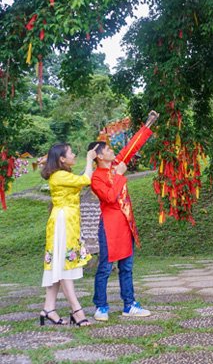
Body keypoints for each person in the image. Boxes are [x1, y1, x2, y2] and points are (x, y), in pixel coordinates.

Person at [87, 110, 158, 321]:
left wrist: (148, 124)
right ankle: (101, 306)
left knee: (126, 267)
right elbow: (109, 198)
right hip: (109, 227)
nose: (112, 150)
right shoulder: (97, 178)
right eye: (107, 149)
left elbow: (133, 146)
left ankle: (129, 304)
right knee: (105, 267)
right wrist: (119, 176)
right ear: (99, 156)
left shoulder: (117, 163)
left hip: (125, 224)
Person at [40, 143, 98, 327]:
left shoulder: (63, 175)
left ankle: (48, 308)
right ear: (62, 159)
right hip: (63, 222)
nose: (74, 155)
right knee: (64, 265)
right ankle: (76, 310)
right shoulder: (60, 176)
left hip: (67, 221)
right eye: (71, 153)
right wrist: (90, 159)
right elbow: (86, 180)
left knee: (59, 263)